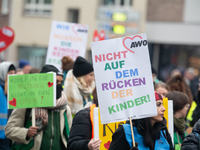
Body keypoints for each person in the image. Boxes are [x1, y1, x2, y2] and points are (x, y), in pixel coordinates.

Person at [5, 64, 72, 150]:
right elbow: (9, 130)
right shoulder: (28, 104)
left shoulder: (64, 108)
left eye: (60, 82)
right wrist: (26, 133)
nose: (58, 85)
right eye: (55, 82)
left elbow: (71, 134)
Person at [109, 92, 173, 150]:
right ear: (145, 107)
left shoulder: (163, 131)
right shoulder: (125, 131)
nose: (164, 109)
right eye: (158, 105)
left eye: (162, 104)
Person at [0, 61, 16, 150]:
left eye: (14, 73)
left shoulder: (13, 90)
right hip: (2, 136)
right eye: (10, 73)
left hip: (9, 134)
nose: (13, 76)